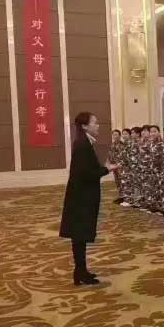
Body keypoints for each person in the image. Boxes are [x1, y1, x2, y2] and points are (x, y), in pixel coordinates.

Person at [60, 112, 119, 285]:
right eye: (95, 122)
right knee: (79, 234)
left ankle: (81, 271)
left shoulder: (84, 142)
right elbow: (87, 173)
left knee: (80, 235)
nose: (98, 125)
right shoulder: (82, 145)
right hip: (81, 198)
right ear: (85, 126)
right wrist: (108, 169)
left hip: (82, 195)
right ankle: (80, 271)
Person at [147, 125, 164, 214]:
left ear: (158, 132)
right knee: (153, 188)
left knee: (160, 189)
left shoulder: (162, 143)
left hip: (160, 170)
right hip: (152, 170)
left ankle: (161, 207)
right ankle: (154, 205)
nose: (153, 133)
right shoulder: (150, 143)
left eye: (155, 131)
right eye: (151, 132)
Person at [108, 129, 125, 204]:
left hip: (121, 166)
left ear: (119, 136)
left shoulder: (123, 145)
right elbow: (109, 155)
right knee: (117, 181)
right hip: (114, 166)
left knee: (122, 181)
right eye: (114, 135)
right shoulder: (111, 145)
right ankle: (120, 195)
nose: (115, 136)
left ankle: (123, 196)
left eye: (116, 134)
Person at [138, 125, 152, 211]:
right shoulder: (141, 142)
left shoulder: (151, 142)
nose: (143, 132)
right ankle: (145, 203)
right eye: (142, 131)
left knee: (150, 187)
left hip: (150, 169)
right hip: (142, 167)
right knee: (143, 186)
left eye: (146, 131)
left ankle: (150, 205)